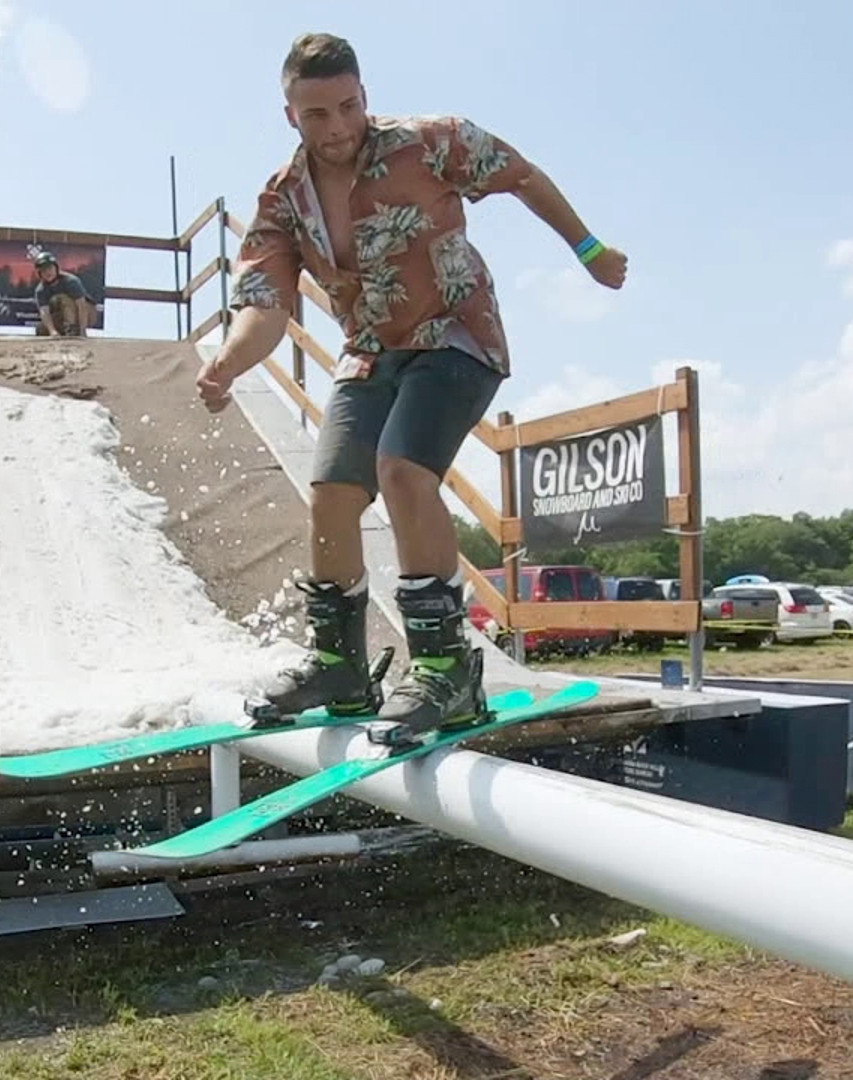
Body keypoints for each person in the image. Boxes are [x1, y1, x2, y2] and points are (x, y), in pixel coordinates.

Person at [193, 32, 627, 742]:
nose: (337, 129)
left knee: (401, 470)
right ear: (289, 116)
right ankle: (339, 665)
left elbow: (521, 176)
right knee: (332, 490)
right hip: (371, 352)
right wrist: (229, 363)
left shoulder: (433, 141)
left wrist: (588, 248)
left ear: (365, 95)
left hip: (457, 336)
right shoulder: (283, 199)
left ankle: (446, 672)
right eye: (317, 115)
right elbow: (264, 303)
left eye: (348, 107)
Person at [32, 249, 95, 337]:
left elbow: (82, 306)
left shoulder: (71, 281)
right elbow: (44, 312)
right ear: (40, 273)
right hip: (62, 316)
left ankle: (72, 330)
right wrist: (52, 331)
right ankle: (64, 332)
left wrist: (83, 330)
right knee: (41, 329)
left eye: (50, 268)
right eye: (43, 270)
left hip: (87, 313)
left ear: (56, 268)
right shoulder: (40, 290)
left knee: (61, 298)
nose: (47, 272)